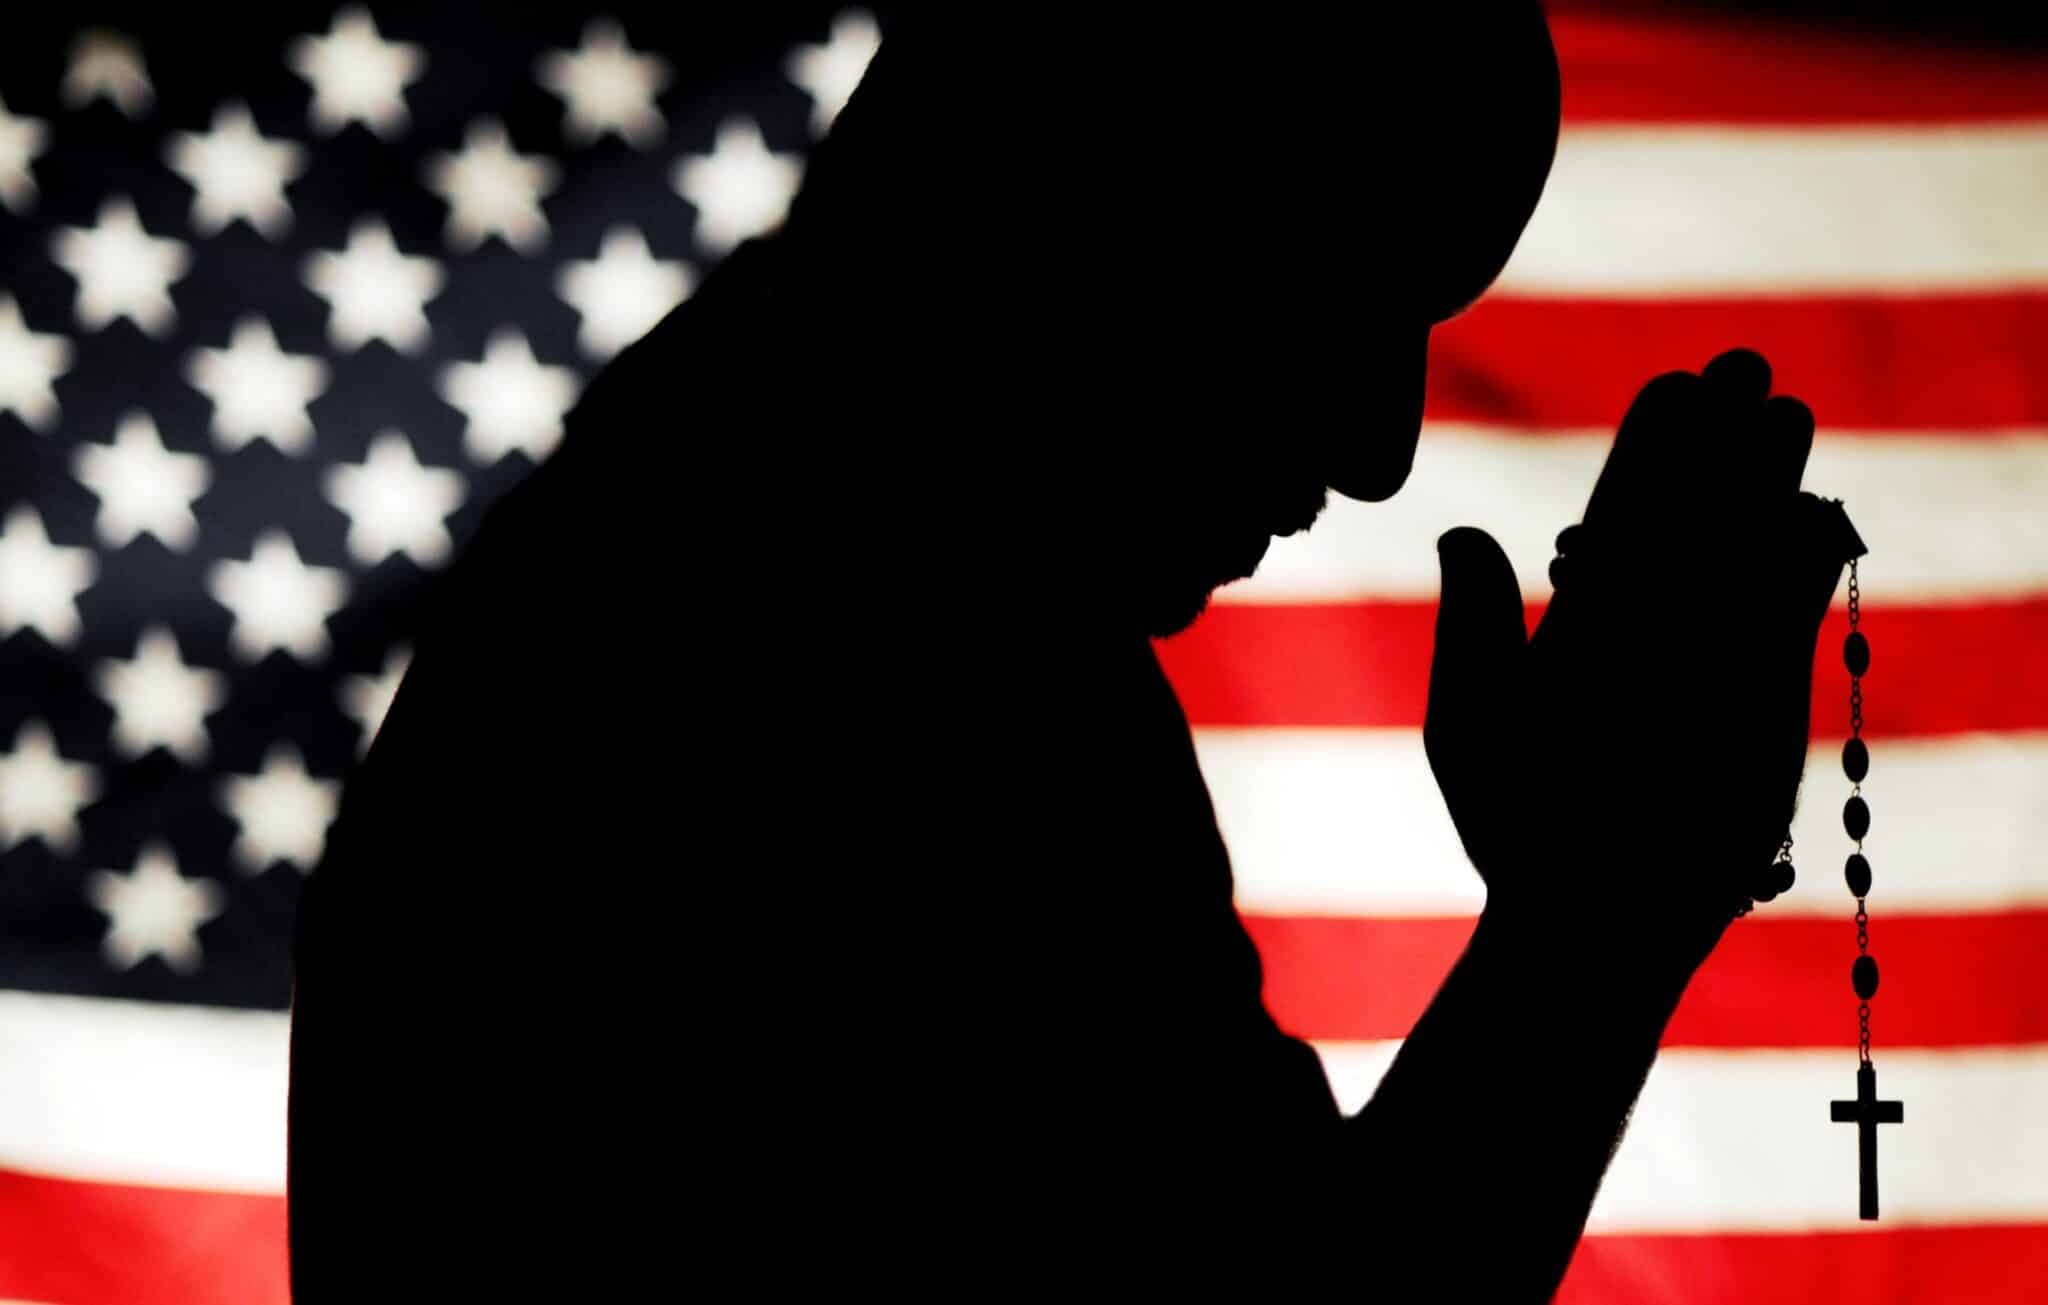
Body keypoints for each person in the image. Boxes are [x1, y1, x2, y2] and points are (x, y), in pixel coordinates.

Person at [287, 7, 1858, 1297]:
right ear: (1112, 188)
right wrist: (1599, 924)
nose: (1380, 444)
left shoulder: (745, 545)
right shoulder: (898, 656)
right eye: (1338, 278)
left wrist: (1594, 922)